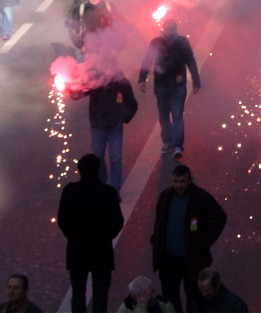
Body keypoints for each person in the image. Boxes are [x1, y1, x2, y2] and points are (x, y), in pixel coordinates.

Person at [150, 164, 227, 313]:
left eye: (182, 181)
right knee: (170, 296)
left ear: (189, 180)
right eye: (176, 181)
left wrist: (205, 243)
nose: (179, 185)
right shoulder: (165, 196)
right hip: (169, 258)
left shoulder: (201, 198)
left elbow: (220, 217)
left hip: (192, 259)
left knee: (193, 296)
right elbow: (160, 221)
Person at [57, 153, 124, 313]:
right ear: (98, 170)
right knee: (100, 294)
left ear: (79, 170)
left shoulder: (70, 190)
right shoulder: (107, 192)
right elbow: (117, 221)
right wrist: (106, 236)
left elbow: (62, 220)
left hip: (77, 250)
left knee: (78, 294)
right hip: (101, 250)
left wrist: (72, 236)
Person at [138, 18, 201, 160]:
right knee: (164, 114)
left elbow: (190, 60)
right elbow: (148, 60)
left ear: (176, 29)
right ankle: (167, 141)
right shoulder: (156, 42)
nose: (170, 32)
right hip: (161, 85)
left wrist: (196, 82)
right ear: (163, 29)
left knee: (177, 115)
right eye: (168, 29)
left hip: (178, 86)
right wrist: (142, 78)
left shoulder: (182, 42)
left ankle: (177, 146)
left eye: (172, 29)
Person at [71, 66, 137, 194]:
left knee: (115, 158)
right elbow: (80, 92)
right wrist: (72, 91)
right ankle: (101, 183)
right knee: (98, 156)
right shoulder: (94, 80)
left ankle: (114, 190)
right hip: (97, 126)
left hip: (114, 126)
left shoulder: (121, 83)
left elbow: (132, 104)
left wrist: (123, 117)